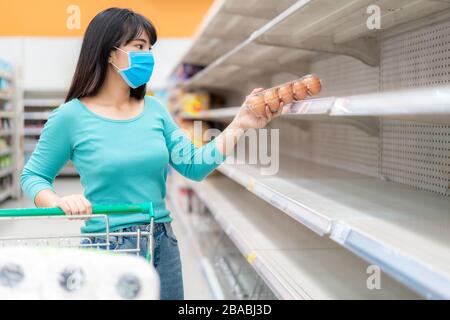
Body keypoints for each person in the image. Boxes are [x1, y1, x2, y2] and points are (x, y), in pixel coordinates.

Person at [20, 7, 282, 300]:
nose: (149, 56)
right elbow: (33, 175)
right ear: (110, 52)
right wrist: (58, 201)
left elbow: (194, 166)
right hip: (108, 247)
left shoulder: (155, 109)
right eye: (139, 47)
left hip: (163, 243)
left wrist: (241, 123)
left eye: (150, 48)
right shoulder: (70, 117)